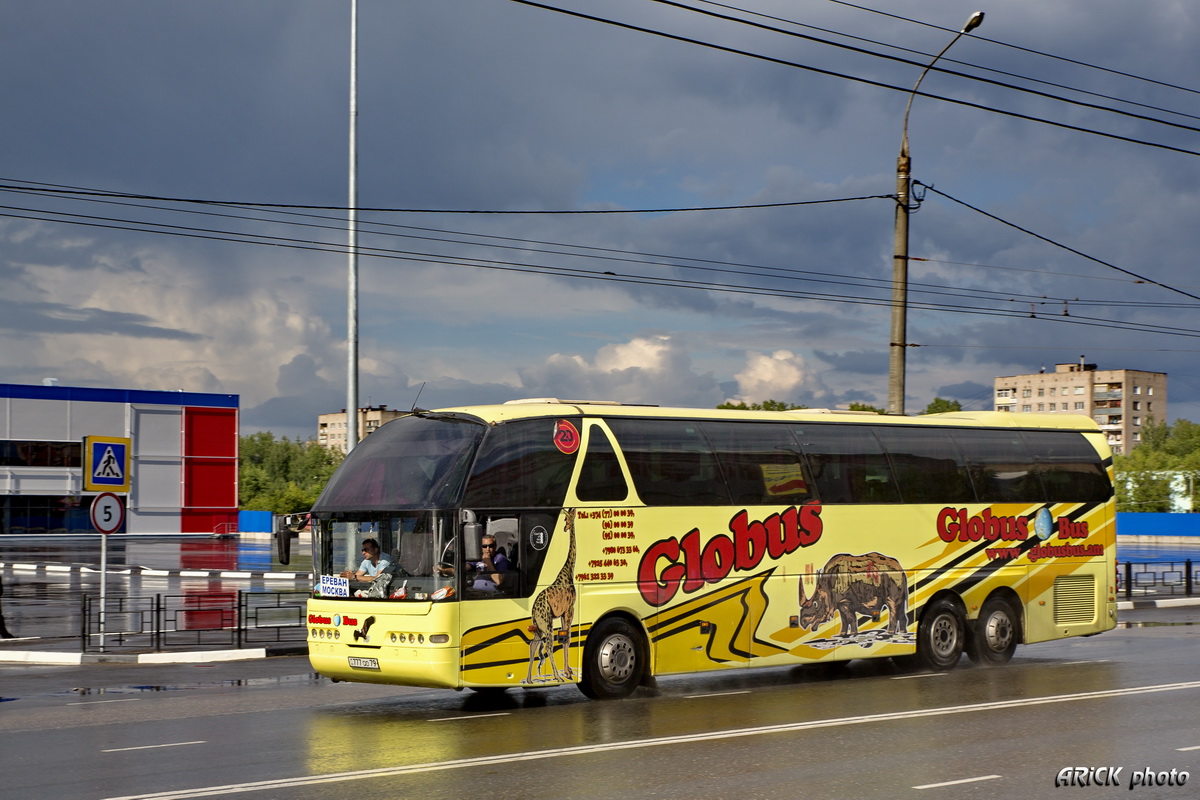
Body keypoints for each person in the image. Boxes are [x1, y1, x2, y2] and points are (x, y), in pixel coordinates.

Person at [437, 536, 509, 594]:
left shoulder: (501, 559)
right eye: (484, 546)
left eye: (491, 546)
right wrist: (445, 570)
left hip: (492, 594)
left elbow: (499, 581)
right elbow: (461, 569)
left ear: (495, 546)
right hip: (475, 592)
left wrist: (488, 561)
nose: (487, 549)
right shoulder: (478, 558)